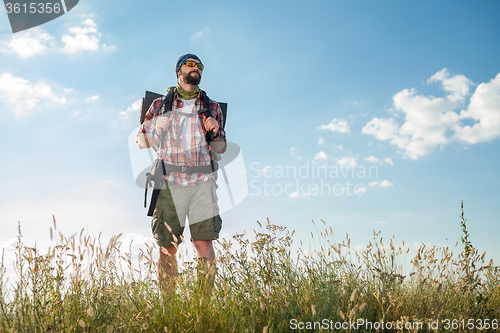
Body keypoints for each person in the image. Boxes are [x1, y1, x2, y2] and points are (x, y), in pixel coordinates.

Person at [136, 53, 227, 290]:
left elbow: (221, 148)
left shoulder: (212, 107)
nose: (196, 68)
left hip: (203, 181)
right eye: (190, 64)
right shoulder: (159, 105)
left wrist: (216, 131)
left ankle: (203, 306)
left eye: (199, 66)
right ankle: (170, 307)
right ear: (179, 71)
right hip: (169, 180)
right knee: (167, 247)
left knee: (204, 244)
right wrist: (156, 128)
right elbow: (141, 141)